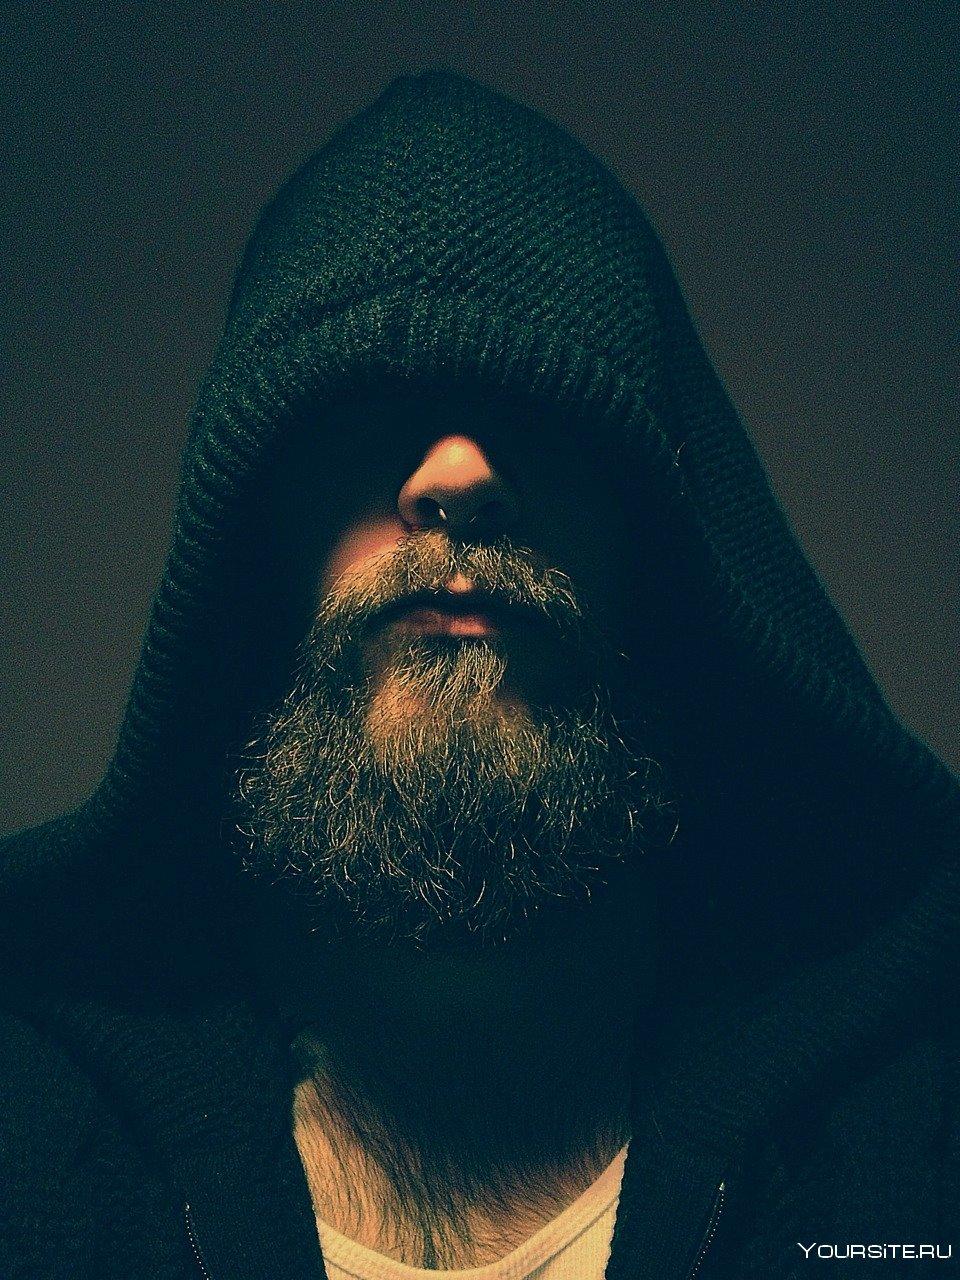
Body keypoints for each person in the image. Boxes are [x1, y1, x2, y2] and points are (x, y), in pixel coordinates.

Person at [1, 69, 957, 1280]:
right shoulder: (33, 1136)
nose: (456, 472)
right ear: (250, 542)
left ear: (656, 546)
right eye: (367, 410)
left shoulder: (910, 1135)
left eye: (541, 410)